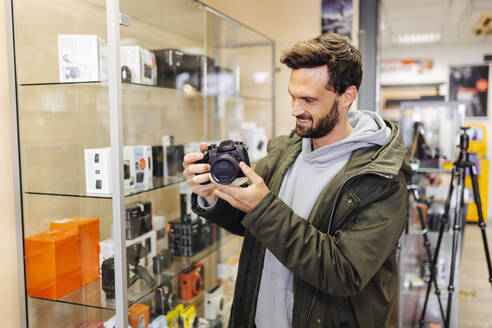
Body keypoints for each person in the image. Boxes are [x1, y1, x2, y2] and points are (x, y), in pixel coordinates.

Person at [182, 33, 411, 328]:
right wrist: (210, 194)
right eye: (292, 96)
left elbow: (344, 272)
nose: (295, 109)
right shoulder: (286, 152)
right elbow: (248, 219)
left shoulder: (383, 179)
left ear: (347, 97)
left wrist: (263, 207)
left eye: (308, 99)